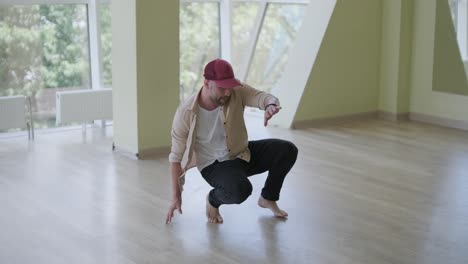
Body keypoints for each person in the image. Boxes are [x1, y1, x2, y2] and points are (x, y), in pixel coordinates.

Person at [165, 59, 298, 224]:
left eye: (229, 87)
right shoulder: (186, 112)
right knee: (240, 190)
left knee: (287, 150)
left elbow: (260, 97)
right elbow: (175, 159)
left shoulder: (235, 91)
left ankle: (268, 198)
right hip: (214, 165)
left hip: (241, 153)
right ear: (206, 82)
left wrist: (270, 104)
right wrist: (175, 197)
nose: (227, 92)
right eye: (222, 88)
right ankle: (213, 199)